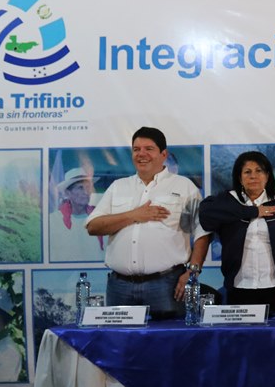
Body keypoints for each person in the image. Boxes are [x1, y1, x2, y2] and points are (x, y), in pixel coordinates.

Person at [86, 127, 209, 319]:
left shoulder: (184, 186)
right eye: (136, 149)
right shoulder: (118, 187)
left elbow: (202, 232)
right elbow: (93, 226)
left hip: (167, 284)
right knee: (119, 339)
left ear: (163, 154)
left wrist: (192, 273)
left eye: (149, 149)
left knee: (171, 337)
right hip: (120, 286)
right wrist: (134, 215)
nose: (141, 154)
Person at [199, 151, 275, 315]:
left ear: (267, 176)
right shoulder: (228, 200)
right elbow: (205, 215)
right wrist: (253, 212)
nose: (253, 176)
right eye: (247, 172)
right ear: (240, 178)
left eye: (259, 171)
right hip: (239, 287)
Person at [49, 167, 104, 262]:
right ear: (68, 193)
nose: (86, 192)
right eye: (80, 188)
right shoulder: (53, 220)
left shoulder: (99, 218)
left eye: (88, 187)